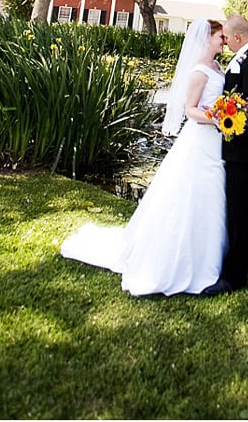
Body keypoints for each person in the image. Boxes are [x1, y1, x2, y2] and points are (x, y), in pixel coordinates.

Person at [61, 18, 228, 296]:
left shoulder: (218, 67)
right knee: (194, 192)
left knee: (212, 193)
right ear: (206, 38)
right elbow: (190, 110)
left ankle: (212, 254)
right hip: (201, 138)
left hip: (216, 142)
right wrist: (217, 118)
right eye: (220, 37)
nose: (224, 41)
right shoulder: (199, 71)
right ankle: (184, 260)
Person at [202, 15, 248, 296]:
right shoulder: (245, 57)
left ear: (238, 38)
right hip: (241, 148)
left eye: (228, 38)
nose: (225, 42)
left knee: (240, 211)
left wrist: (228, 117)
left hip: (244, 147)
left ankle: (234, 276)